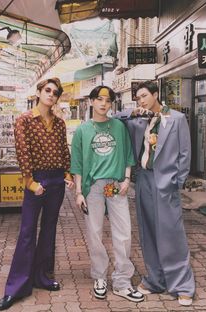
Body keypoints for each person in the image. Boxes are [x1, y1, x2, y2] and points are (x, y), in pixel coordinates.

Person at [114, 80, 195, 306]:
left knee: (172, 234)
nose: (141, 100)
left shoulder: (176, 119)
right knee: (148, 232)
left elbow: (185, 155)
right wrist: (133, 111)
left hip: (166, 183)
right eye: (138, 98)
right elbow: (115, 117)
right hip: (144, 182)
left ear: (156, 94)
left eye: (144, 96)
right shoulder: (139, 120)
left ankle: (182, 285)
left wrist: (175, 183)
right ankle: (155, 280)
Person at [0, 77, 74, 311]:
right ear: (39, 92)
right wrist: (30, 182)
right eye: (47, 90)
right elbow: (23, 152)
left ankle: (43, 277)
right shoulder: (24, 120)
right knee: (27, 231)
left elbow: (63, 151)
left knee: (49, 229)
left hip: (57, 180)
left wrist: (68, 174)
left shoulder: (59, 123)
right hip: (36, 180)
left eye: (55, 92)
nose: (51, 95)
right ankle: (16, 288)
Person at [70, 86, 144, 302]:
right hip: (92, 187)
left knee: (123, 233)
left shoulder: (119, 127)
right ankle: (99, 277)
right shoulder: (83, 130)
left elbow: (128, 154)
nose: (104, 104)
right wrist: (78, 192)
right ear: (92, 101)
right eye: (100, 99)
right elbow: (76, 164)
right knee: (95, 233)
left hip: (115, 185)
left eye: (108, 100)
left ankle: (122, 281)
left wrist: (127, 179)